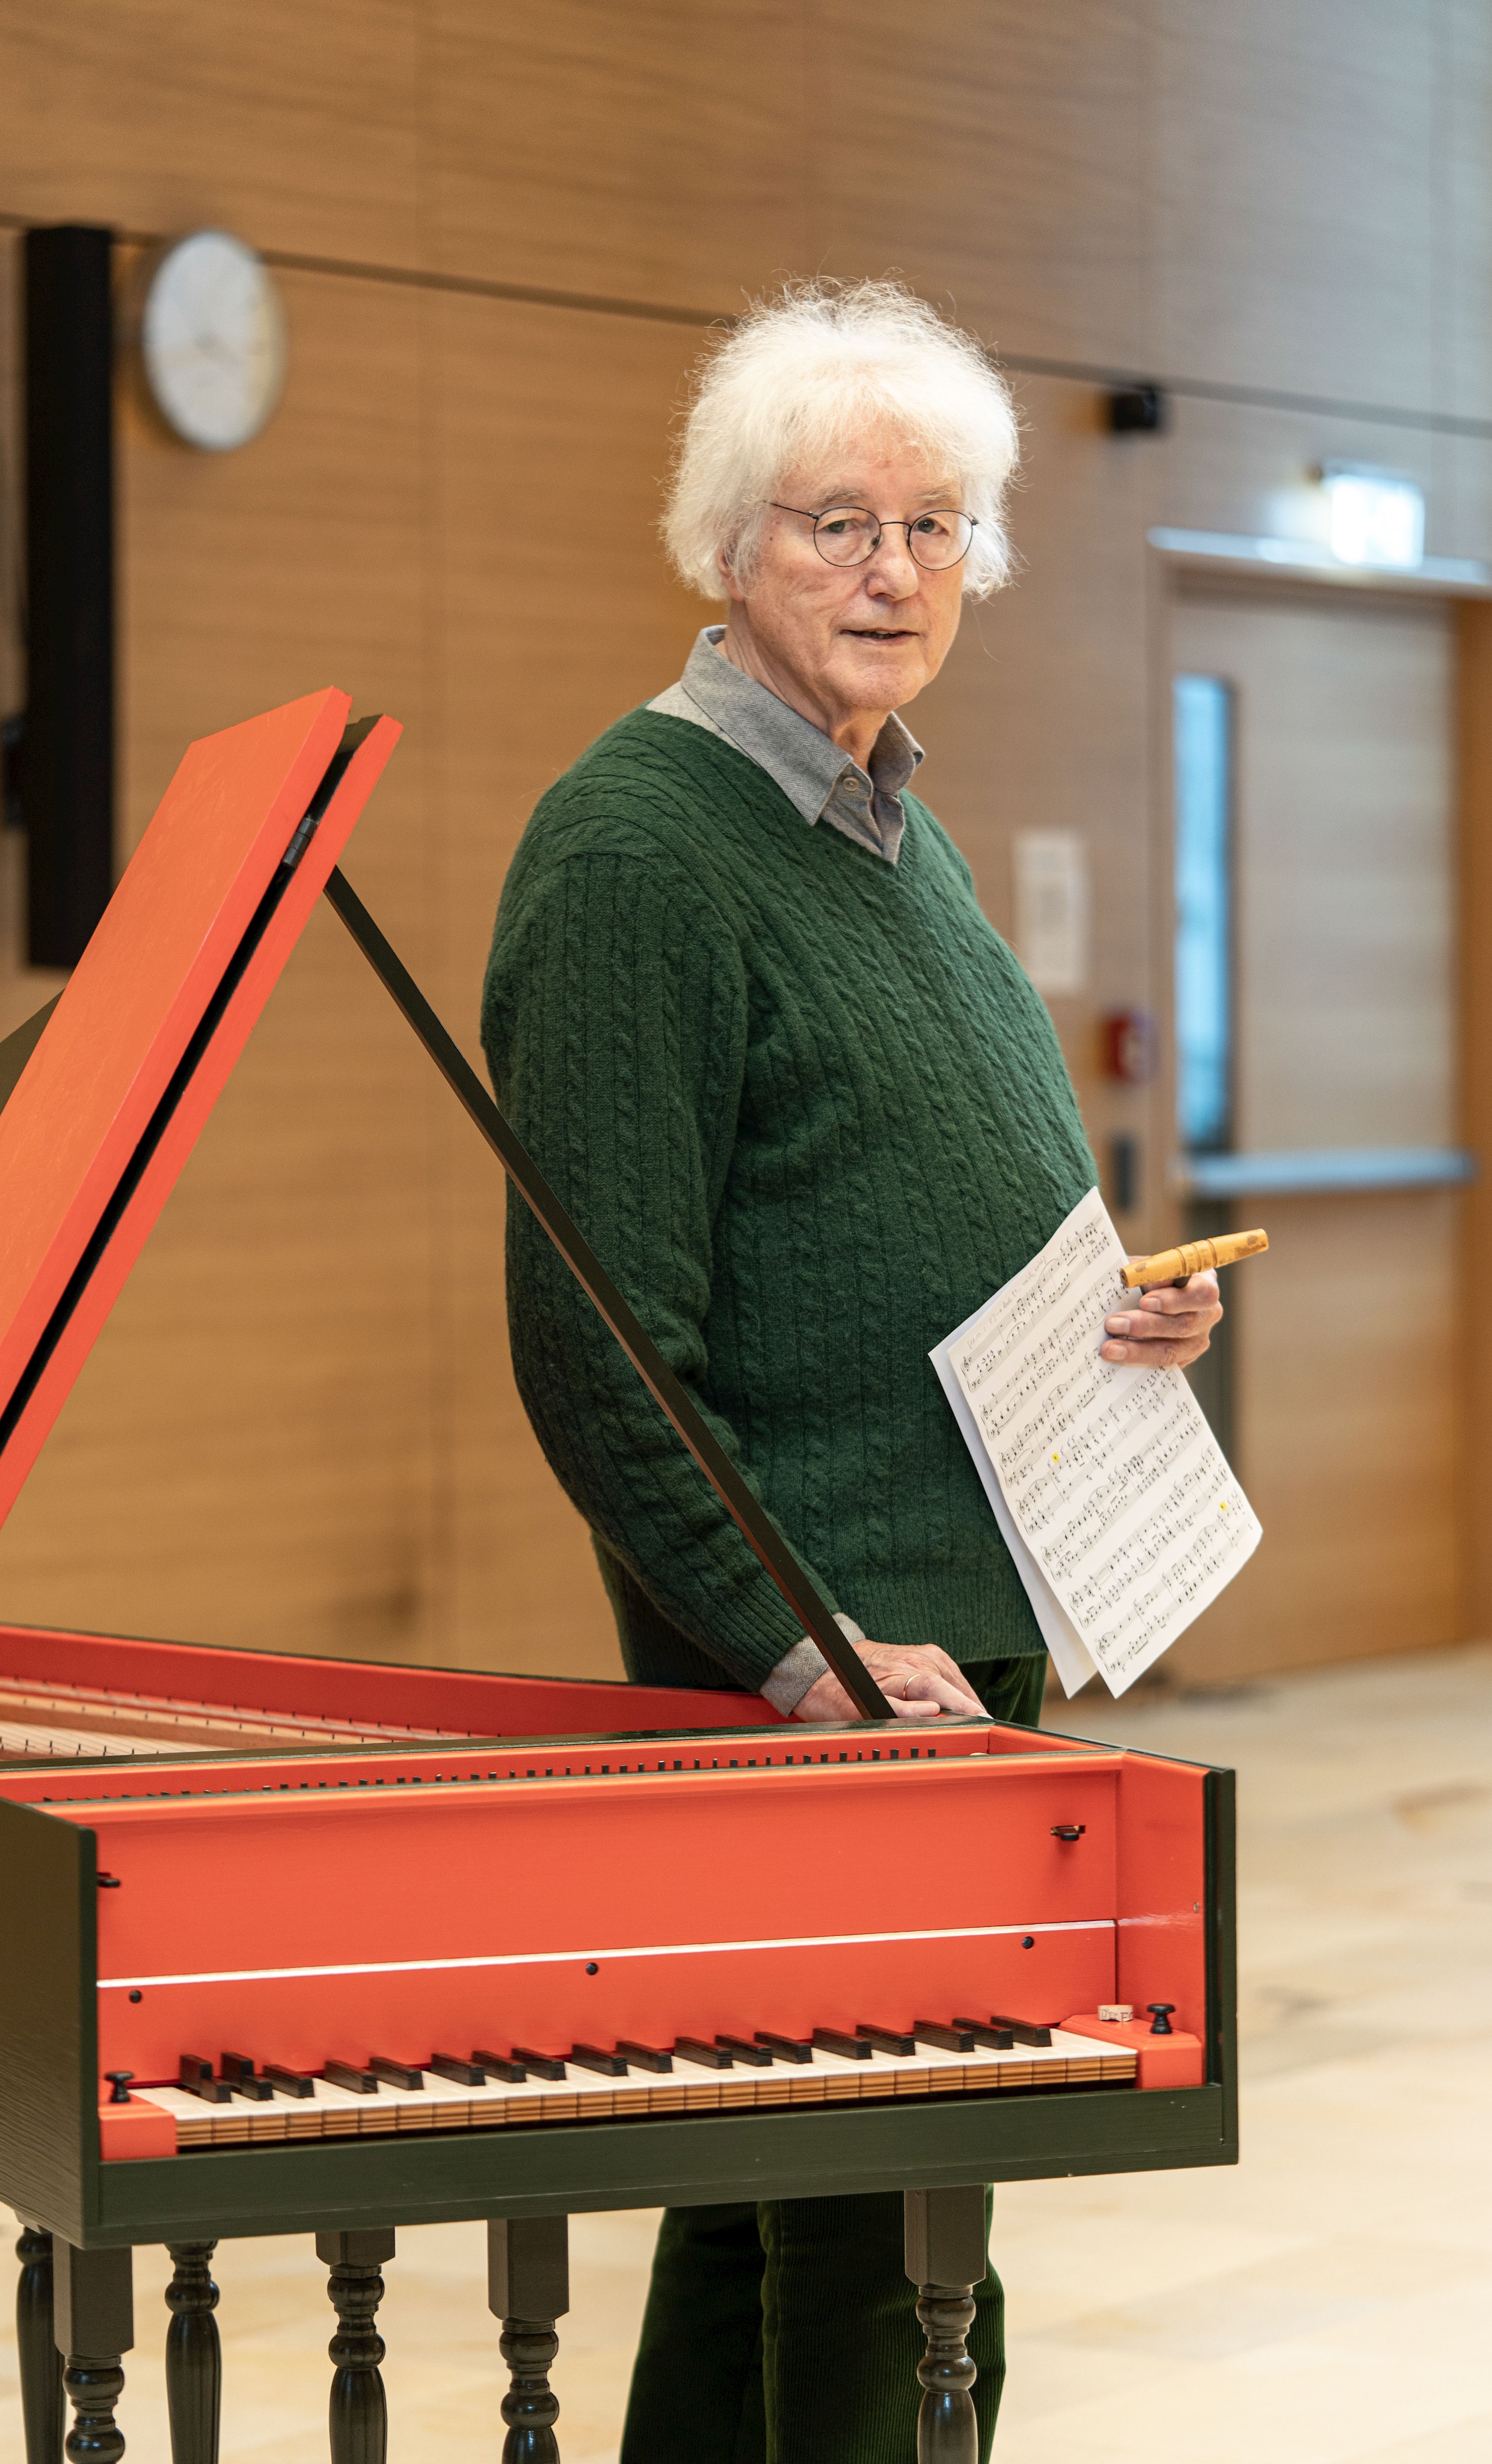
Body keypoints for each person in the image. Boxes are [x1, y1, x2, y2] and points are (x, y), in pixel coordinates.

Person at [481, 278, 1222, 2464]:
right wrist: (801, 1652)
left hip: (939, 1660)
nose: (890, 568)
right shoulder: (640, 848)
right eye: (832, 522)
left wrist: (1122, 1309)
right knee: (906, 2253)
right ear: (729, 547)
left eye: (932, 526)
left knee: (771, 2212)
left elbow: (907, 1213)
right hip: (813, 1684)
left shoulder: (892, 828)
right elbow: (598, 1340)